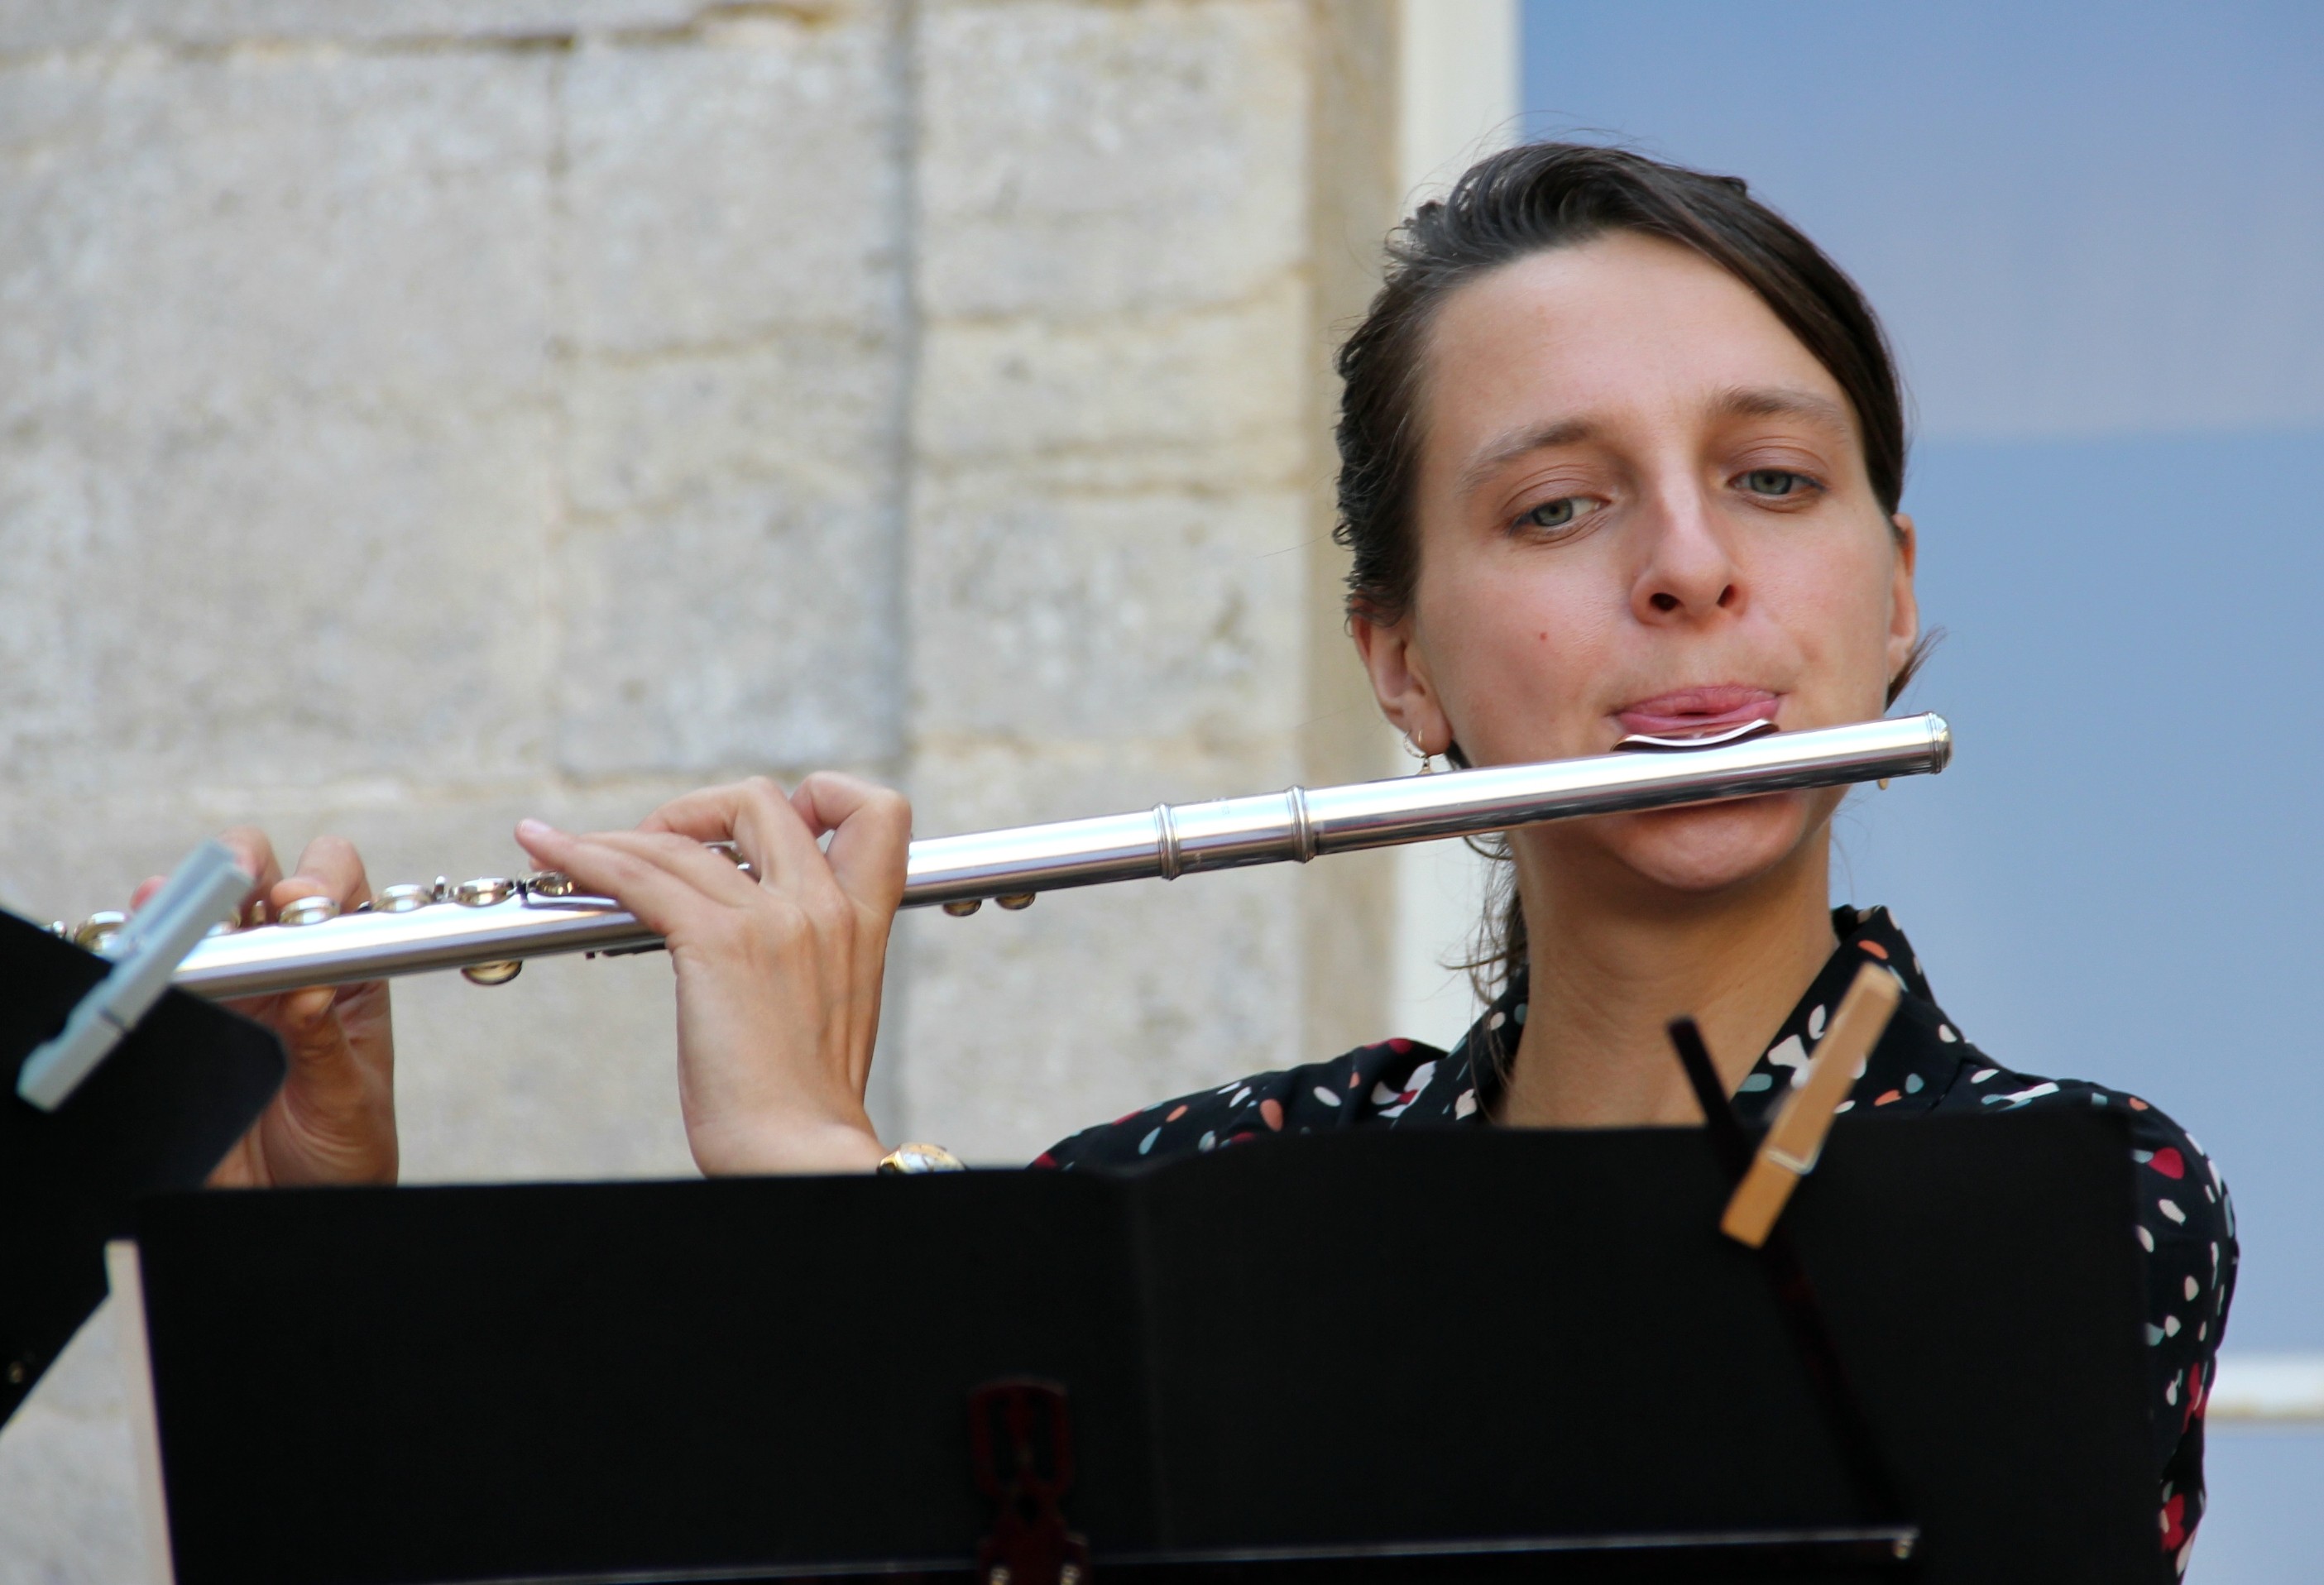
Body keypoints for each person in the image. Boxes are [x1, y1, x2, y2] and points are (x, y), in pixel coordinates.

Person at [167, 144, 2233, 1571]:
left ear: (1890, 594)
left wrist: (829, 1178)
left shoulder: (2065, 1195)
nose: (1687, 568)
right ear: (1403, 663)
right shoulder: (1181, 1210)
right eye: (1553, 510)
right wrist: (324, 1271)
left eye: (1770, 482)